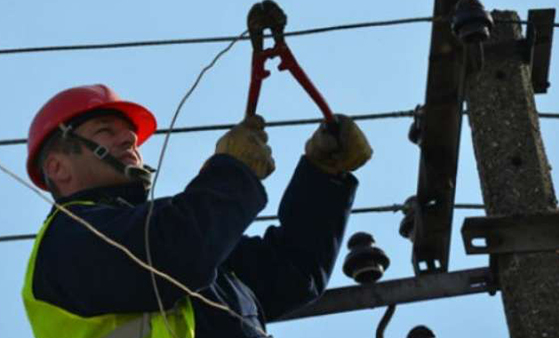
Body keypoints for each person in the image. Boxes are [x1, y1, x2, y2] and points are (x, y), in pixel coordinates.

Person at [22, 84, 372, 338]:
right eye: (104, 132)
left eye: (131, 136)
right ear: (58, 168)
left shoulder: (175, 239)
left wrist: (324, 179)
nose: (129, 142)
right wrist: (232, 173)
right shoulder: (65, 244)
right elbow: (178, 249)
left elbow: (292, 273)